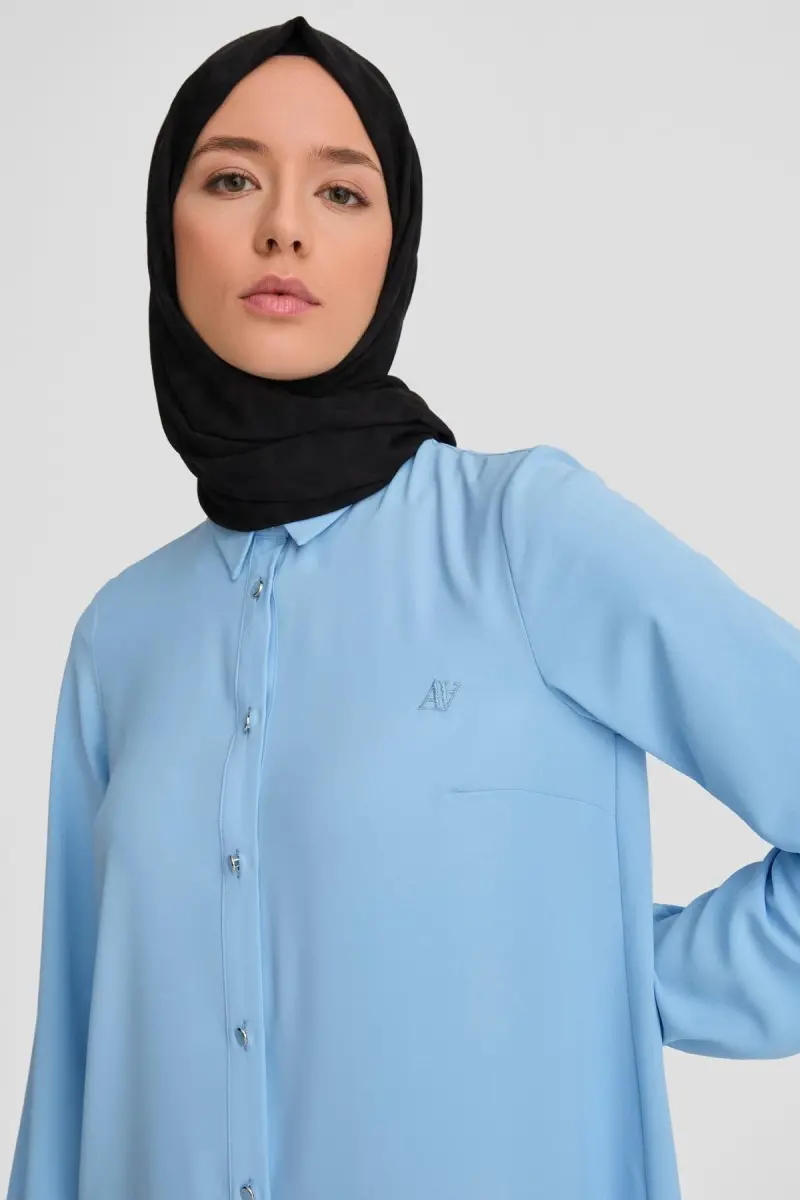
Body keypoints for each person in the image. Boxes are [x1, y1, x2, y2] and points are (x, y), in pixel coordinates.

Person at [7, 14, 800, 1200]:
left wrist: (617, 987)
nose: (283, 227)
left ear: (396, 245)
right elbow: (72, 1065)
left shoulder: (520, 534)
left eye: (340, 192)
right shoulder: (119, 636)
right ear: (166, 232)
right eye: (231, 179)